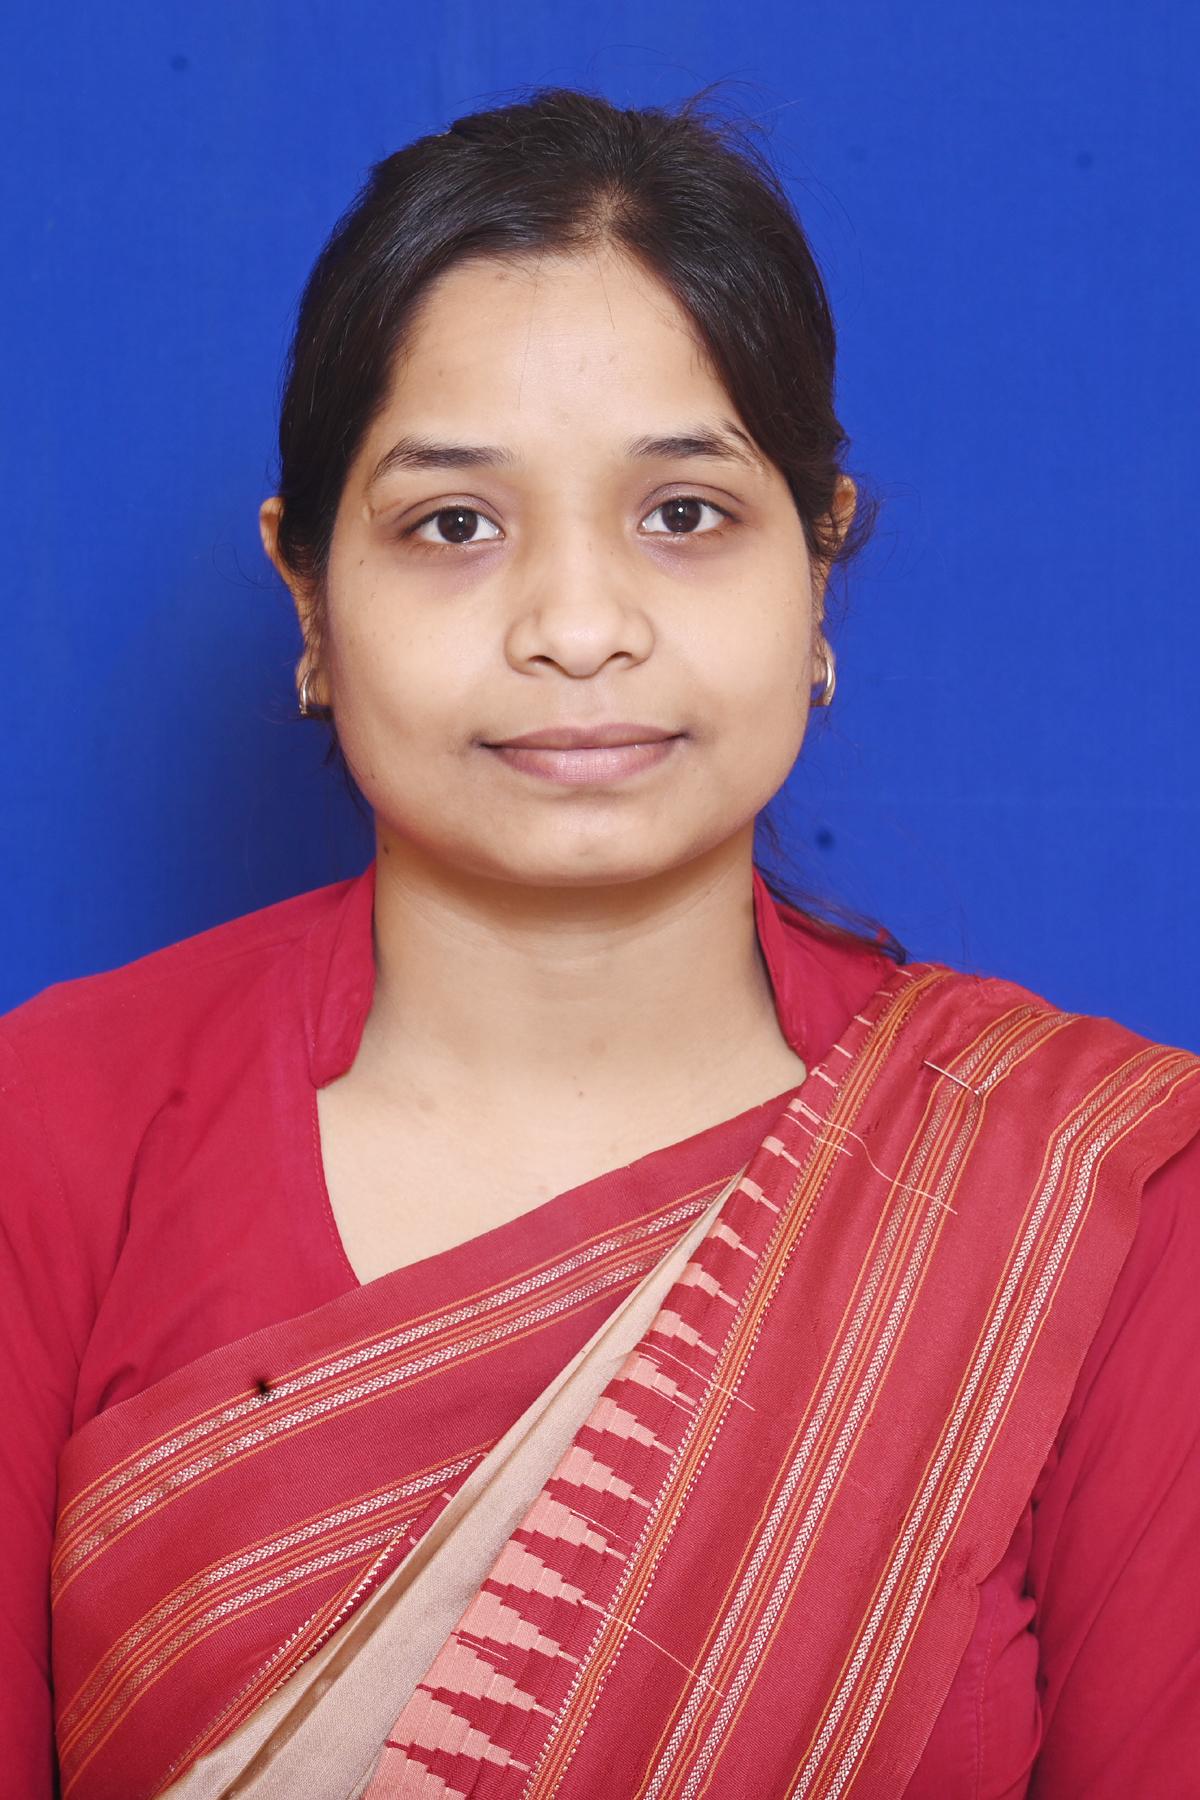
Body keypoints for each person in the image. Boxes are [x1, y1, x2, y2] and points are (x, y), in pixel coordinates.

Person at [3, 90, 1198, 1800]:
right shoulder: (50, 1131)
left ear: (818, 567)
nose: (578, 629)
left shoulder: (1096, 1192)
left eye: (685, 514)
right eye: (454, 524)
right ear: (307, 594)